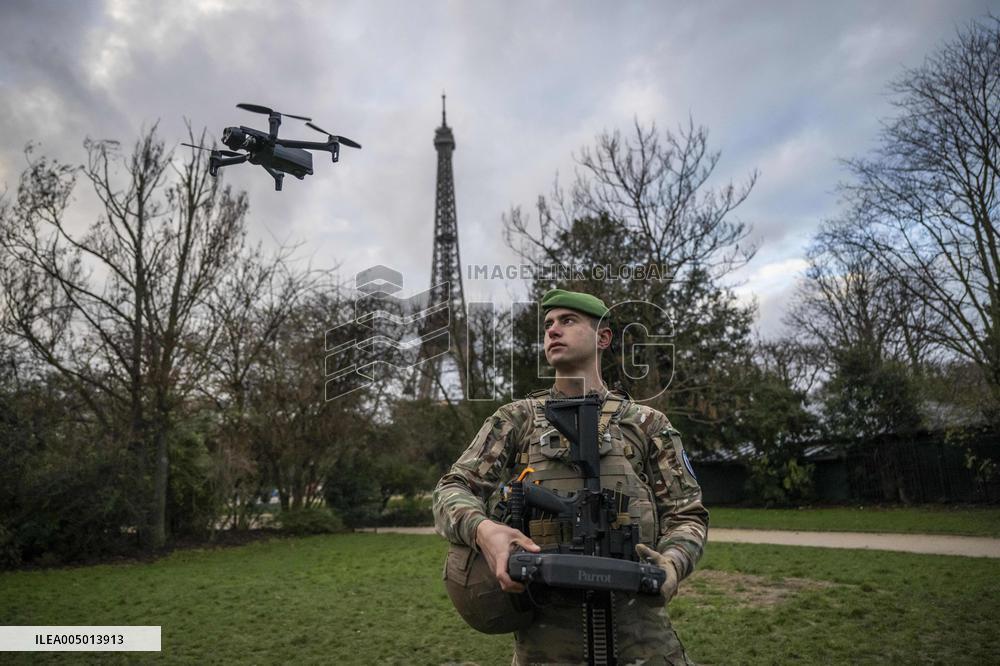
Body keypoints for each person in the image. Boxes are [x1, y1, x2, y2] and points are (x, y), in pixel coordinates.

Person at [433, 288, 709, 665]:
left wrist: (672, 564)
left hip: (642, 642)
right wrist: (486, 531)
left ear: (603, 338)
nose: (553, 330)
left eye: (568, 321)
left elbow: (687, 514)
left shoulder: (646, 424)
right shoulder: (518, 420)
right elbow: (452, 488)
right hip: (546, 646)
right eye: (548, 324)